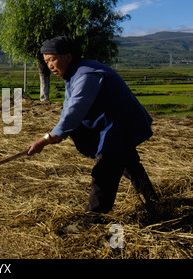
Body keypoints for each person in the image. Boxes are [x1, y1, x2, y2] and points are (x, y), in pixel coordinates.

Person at [27, 36, 158, 225]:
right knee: (130, 163)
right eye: (46, 61)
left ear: (68, 56)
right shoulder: (74, 74)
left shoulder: (86, 74)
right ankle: (153, 201)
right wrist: (55, 132)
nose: (49, 65)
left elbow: (75, 110)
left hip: (119, 125)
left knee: (103, 174)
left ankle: (91, 222)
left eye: (52, 59)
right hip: (115, 125)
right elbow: (68, 106)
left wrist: (46, 139)